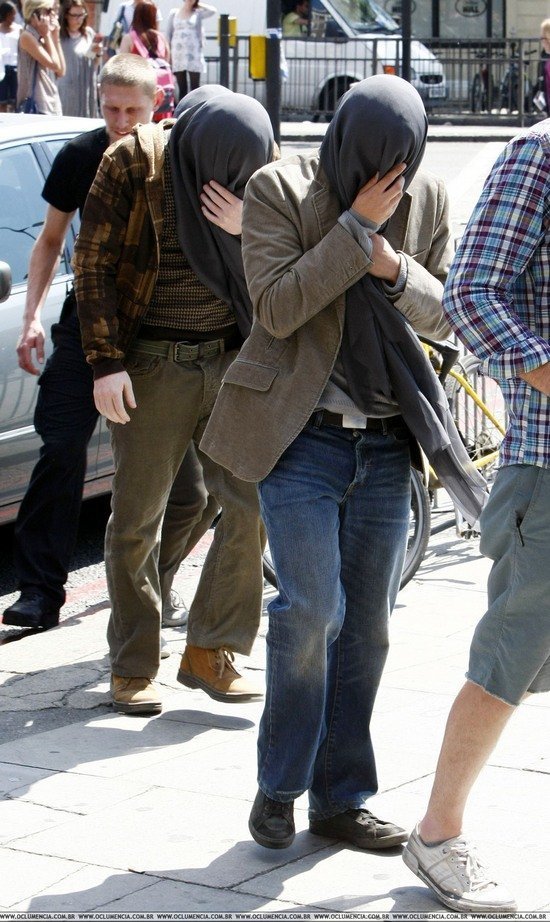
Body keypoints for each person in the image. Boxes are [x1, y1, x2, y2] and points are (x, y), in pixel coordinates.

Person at [200, 75, 489, 852]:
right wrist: (356, 230)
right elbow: (277, 307)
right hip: (302, 438)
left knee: (368, 628)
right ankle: (279, 787)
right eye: (369, 156)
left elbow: (449, 312)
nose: (383, 174)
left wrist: (394, 269)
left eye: (399, 160)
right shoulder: (280, 189)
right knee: (311, 611)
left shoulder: (425, 198)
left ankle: (340, 799)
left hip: (389, 443)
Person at [72, 86, 274, 716]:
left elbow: (289, 251)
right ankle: (134, 665)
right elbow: (93, 264)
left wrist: (248, 224)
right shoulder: (134, 163)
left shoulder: (258, 169)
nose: (230, 181)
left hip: (230, 358)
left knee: (250, 504)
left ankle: (210, 649)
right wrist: (106, 363)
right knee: (137, 520)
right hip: (151, 363)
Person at [2, 54, 215, 648]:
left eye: (132, 111)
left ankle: (157, 580)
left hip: (158, 330)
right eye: (110, 109)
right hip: (86, 324)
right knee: (60, 445)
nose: (120, 122)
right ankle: (39, 591)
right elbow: (50, 241)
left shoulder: (176, 157)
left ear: (156, 106)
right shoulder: (80, 156)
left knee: (192, 488)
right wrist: (30, 319)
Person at [402, 117, 550, 917]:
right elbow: (468, 293)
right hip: (547, 464)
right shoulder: (540, 154)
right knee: (509, 656)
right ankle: (437, 834)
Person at [119, 0, 174, 121]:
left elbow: (123, 66)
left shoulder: (129, 38)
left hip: (138, 92)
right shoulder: (161, 38)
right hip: (162, 96)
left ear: (136, 16)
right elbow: (167, 61)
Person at [17, 0, 64, 114]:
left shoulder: (43, 36)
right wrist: (47, 35)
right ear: (34, 15)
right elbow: (55, 65)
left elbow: (61, 71)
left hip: (52, 102)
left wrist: (55, 36)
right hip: (37, 104)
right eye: (48, 11)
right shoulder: (27, 36)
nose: (53, 14)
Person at [165, 0, 216, 101]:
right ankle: (182, 109)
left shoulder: (197, 13)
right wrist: (168, 54)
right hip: (178, 54)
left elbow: (212, 11)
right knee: (182, 87)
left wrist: (197, 4)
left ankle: (195, 108)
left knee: (195, 87)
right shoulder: (174, 13)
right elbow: (168, 34)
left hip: (193, 53)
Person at [57, 0, 100, 117]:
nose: (79, 19)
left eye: (82, 15)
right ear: (66, 15)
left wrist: (97, 53)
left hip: (86, 87)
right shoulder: (59, 36)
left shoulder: (89, 33)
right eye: (75, 15)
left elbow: (94, 63)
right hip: (66, 89)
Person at [0, 1, 21, 111]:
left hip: (15, 67)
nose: (13, 16)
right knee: (2, 100)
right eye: (11, 14)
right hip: (1, 68)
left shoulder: (19, 29)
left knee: (15, 100)